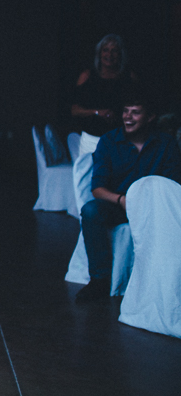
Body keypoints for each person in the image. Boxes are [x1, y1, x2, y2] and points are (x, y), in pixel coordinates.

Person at [75, 89, 181, 303]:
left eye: (135, 112)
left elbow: (173, 185)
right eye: (125, 111)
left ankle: (162, 282)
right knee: (90, 210)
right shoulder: (108, 141)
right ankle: (99, 280)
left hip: (154, 208)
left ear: (150, 117)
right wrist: (121, 200)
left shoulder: (166, 143)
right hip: (119, 205)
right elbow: (97, 189)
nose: (128, 117)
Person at [71, 34, 137, 155]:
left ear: (120, 54)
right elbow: (74, 110)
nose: (109, 55)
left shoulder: (129, 77)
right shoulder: (87, 76)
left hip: (120, 138)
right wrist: (96, 112)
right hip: (91, 139)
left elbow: (138, 109)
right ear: (99, 53)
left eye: (114, 51)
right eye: (105, 50)